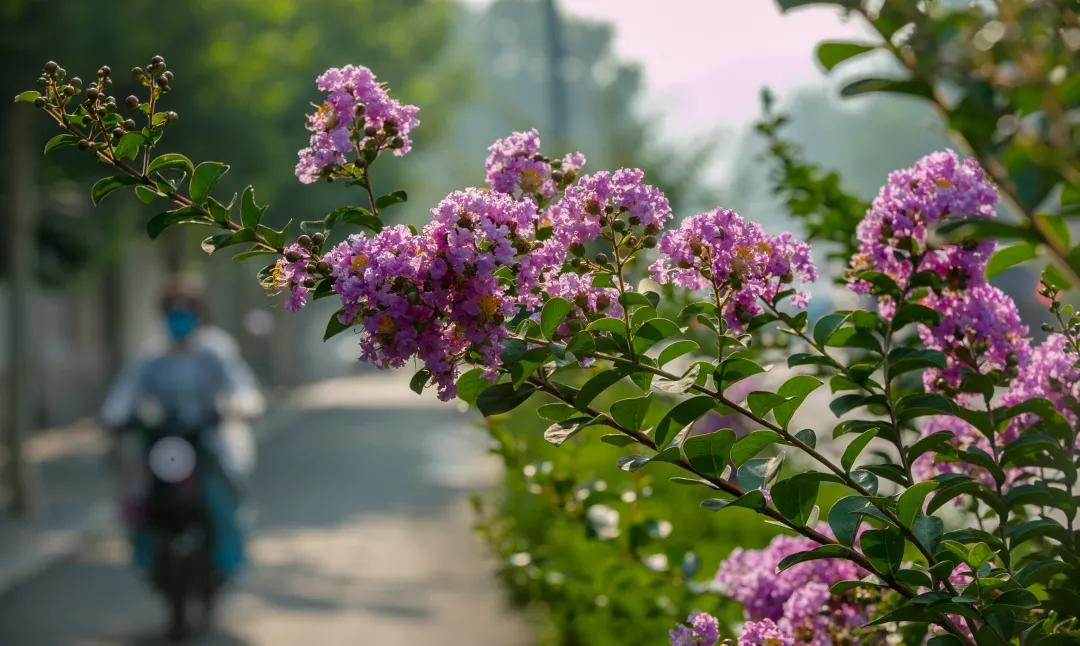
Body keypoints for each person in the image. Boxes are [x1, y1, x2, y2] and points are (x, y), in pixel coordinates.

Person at [100, 276, 264, 633]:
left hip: (206, 442)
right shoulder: (152, 356)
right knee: (137, 501)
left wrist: (242, 406)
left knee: (221, 497)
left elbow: (241, 388)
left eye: (184, 311)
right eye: (171, 312)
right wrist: (115, 418)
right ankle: (146, 561)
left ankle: (227, 561)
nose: (178, 318)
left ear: (198, 313)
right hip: (163, 444)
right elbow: (123, 396)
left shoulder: (215, 351)